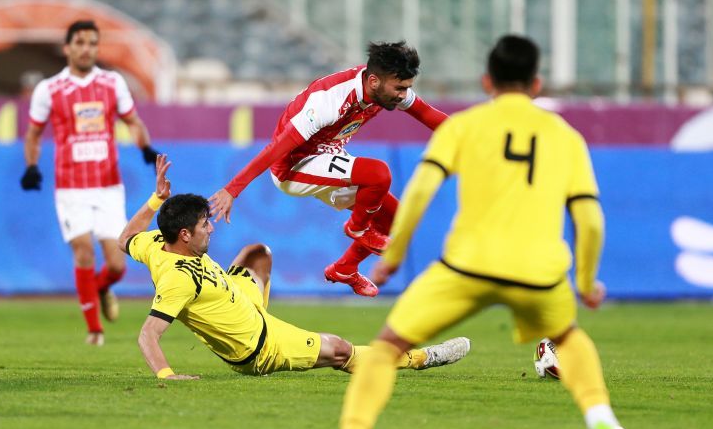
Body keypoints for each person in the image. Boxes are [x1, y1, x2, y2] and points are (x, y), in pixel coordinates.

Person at [311, 35, 644, 429]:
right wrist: (585, 280)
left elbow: (419, 193)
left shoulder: (465, 127)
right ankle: (605, 422)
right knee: (569, 338)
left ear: (487, 82)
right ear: (537, 84)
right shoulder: (565, 138)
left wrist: (391, 258)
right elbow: (590, 218)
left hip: (467, 267)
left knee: (389, 346)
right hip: (538, 270)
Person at [119, 154, 471, 380]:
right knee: (340, 349)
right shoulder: (177, 280)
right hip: (259, 346)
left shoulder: (155, 243)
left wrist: (156, 200)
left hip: (239, 301)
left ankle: (249, 307)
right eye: (203, 225)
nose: (211, 228)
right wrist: (167, 375)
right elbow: (148, 334)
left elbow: (126, 238)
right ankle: (420, 358)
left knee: (257, 253)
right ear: (184, 234)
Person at [209, 41, 447, 298]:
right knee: (378, 174)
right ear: (374, 81)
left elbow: (428, 114)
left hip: (327, 155)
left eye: (407, 88)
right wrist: (233, 189)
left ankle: (345, 268)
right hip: (293, 167)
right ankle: (358, 228)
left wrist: (471, 135)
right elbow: (276, 149)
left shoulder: (384, 86)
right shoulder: (330, 101)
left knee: (396, 220)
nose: (403, 95)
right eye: (400, 88)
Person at [22, 20, 159, 346]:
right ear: (67, 47)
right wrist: (31, 166)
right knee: (83, 251)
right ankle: (94, 330)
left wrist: (145, 147)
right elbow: (34, 134)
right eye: (80, 42)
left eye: (92, 43)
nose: (86, 49)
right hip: (70, 187)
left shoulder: (112, 83)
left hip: (108, 186)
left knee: (117, 263)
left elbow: (132, 121)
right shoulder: (49, 89)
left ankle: (100, 287)